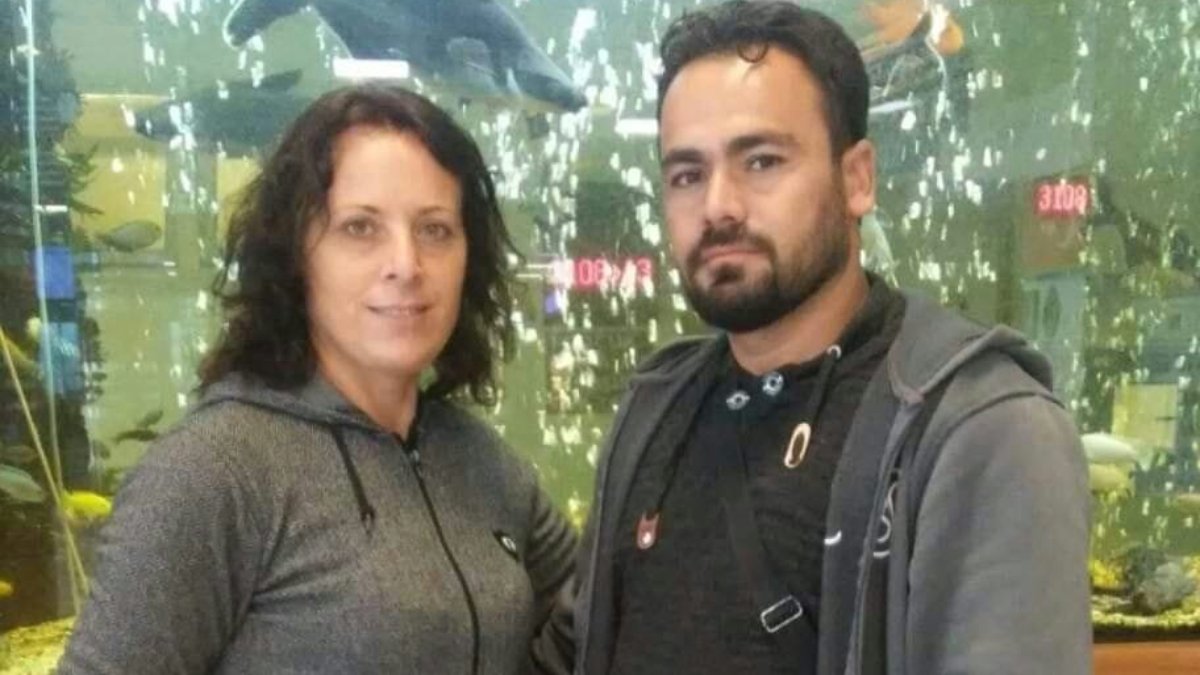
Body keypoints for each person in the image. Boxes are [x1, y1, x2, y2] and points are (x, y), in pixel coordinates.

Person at [540, 2, 1092, 674]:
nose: (718, 206)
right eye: (687, 174)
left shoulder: (981, 429)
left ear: (857, 178)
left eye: (761, 161)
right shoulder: (652, 411)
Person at [60, 85, 576, 674]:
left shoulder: (481, 461)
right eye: (360, 228)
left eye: (435, 229)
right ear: (295, 256)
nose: (406, 264)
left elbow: (602, 613)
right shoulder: (212, 473)